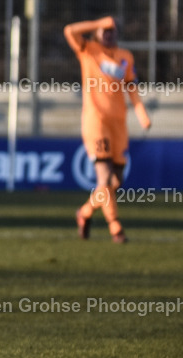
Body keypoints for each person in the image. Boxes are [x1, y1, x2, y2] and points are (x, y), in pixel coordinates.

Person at [63, 16, 151, 243]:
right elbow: (69, 29)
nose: (109, 34)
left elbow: (131, 87)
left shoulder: (126, 57)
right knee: (104, 178)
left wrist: (141, 114)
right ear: (97, 33)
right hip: (96, 121)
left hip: (118, 124)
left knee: (116, 182)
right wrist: (99, 22)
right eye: (105, 30)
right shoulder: (88, 50)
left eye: (112, 30)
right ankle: (116, 228)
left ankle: (84, 213)